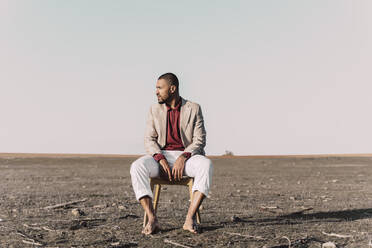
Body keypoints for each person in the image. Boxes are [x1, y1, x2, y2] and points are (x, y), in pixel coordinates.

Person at [130, 72, 213, 235]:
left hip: (188, 157)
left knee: (206, 165)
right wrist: (160, 159)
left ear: (173, 89)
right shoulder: (154, 110)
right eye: (156, 88)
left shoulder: (194, 108)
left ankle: (190, 219)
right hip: (161, 156)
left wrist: (183, 157)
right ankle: (152, 218)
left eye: (160, 88)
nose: (156, 91)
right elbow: (149, 140)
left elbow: (199, 140)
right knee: (137, 166)